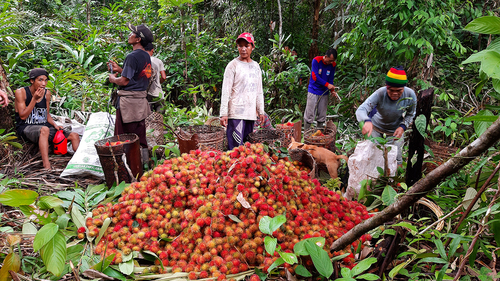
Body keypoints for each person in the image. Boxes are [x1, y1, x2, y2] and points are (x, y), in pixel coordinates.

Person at [14, 68, 80, 170]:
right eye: (40, 80)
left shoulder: (47, 93)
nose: (44, 83)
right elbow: (22, 116)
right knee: (44, 129)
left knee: (74, 135)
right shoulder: (21, 92)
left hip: (45, 127)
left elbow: (46, 114)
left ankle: (79, 162)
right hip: (26, 127)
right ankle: (46, 165)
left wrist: (55, 124)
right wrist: (34, 100)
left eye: (46, 80)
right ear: (32, 80)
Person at [355, 66, 417, 165]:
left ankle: (395, 179)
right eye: (391, 90)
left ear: (404, 88)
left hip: (395, 131)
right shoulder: (380, 93)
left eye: (399, 90)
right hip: (376, 129)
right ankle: (374, 179)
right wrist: (367, 120)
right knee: (373, 157)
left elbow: (411, 113)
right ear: (386, 86)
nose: (395, 93)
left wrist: (403, 126)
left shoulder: (410, 94)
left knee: (396, 159)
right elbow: (361, 109)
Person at [107, 23, 153, 151]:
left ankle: (126, 167)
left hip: (129, 104)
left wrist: (113, 79)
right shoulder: (146, 56)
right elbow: (138, 76)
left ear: (138, 39)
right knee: (140, 137)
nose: (129, 35)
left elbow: (125, 81)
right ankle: (142, 164)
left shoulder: (131, 56)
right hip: (140, 103)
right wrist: (121, 69)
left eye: (132, 33)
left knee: (124, 139)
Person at [220, 32, 265, 150]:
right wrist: (224, 113)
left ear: (252, 47)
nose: (243, 49)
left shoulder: (256, 67)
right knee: (235, 149)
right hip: (236, 113)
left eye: (247, 46)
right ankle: (233, 167)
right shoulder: (233, 65)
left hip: (250, 114)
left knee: (247, 148)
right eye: (240, 46)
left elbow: (259, 91)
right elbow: (226, 90)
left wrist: (261, 111)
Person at [303, 49, 338, 131]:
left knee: (322, 115)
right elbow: (315, 77)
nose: (331, 62)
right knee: (309, 114)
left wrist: (332, 90)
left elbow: (330, 79)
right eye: (330, 60)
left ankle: (319, 135)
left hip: (324, 92)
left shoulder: (333, 65)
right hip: (313, 90)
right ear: (325, 57)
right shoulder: (316, 60)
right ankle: (306, 134)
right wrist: (327, 84)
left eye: (333, 61)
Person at [145, 43, 166, 112]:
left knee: (148, 117)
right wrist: (158, 83)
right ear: (152, 50)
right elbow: (164, 77)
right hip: (157, 93)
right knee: (160, 116)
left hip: (146, 93)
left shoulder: (142, 60)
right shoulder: (158, 61)